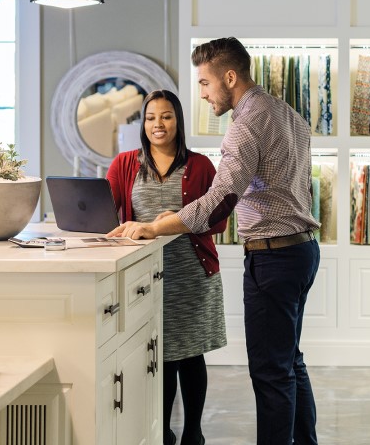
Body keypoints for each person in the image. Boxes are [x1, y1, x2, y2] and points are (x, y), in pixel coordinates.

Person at [109, 37, 321, 445]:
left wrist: (157, 227)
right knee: (290, 363)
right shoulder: (287, 113)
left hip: (274, 257)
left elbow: (221, 199)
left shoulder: (246, 125)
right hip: (302, 250)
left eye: (205, 83)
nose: (203, 93)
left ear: (230, 77)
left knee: (271, 372)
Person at [105, 89, 227, 445]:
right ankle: (162, 432)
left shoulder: (201, 166)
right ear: (143, 124)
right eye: (151, 117)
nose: (158, 124)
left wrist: (178, 219)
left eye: (166, 116)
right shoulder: (124, 164)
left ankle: (193, 433)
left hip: (191, 274)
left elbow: (219, 219)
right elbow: (105, 213)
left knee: (189, 354)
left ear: (178, 121)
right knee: (160, 356)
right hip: (143, 276)